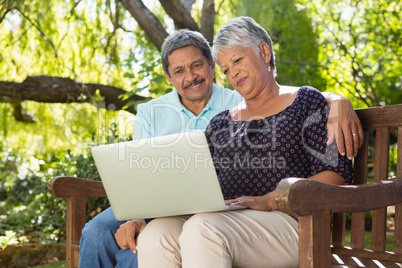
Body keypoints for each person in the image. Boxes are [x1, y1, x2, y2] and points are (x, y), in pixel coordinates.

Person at [79, 28, 361, 267]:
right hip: (222, 215)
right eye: (227, 68)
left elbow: (335, 174)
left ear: (264, 53)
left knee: (201, 229)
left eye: (237, 60)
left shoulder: (306, 102)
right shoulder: (222, 121)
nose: (233, 72)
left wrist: (272, 198)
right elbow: (202, 182)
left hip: (290, 218)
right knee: (156, 235)